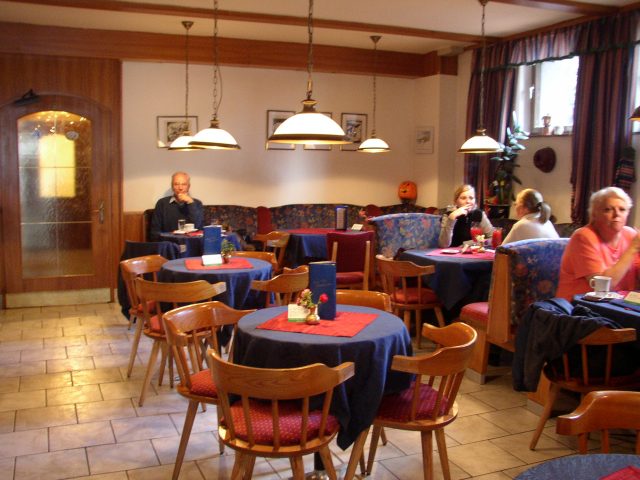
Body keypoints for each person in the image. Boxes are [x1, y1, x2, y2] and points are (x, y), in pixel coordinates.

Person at [556, 186, 640, 300]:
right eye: (608, 209)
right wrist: (633, 249)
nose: (617, 214)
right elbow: (603, 288)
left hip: (620, 304)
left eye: (622, 209)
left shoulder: (630, 235)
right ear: (594, 214)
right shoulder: (583, 237)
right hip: (580, 306)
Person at [149, 171, 204, 241]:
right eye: (176, 184)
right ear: (172, 186)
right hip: (169, 243)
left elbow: (198, 227)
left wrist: (190, 203)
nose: (180, 188)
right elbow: (154, 232)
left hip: (190, 244)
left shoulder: (197, 203)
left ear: (188, 186)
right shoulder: (162, 203)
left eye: (184, 184)